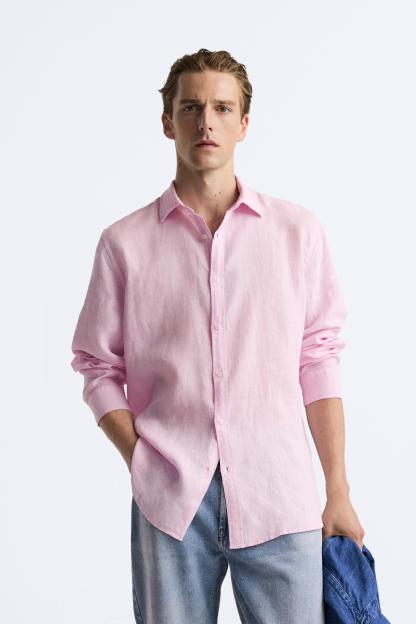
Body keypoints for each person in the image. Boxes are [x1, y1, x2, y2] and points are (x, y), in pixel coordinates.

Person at [70, 48, 365, 623]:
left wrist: (338, 489)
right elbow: (96, 365)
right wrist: (142, 460)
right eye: (191, 107)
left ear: (244, 124)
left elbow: (318, 358)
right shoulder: (124, 244)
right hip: (171, 499)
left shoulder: (297, 233)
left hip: (280, 490)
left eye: (223, 108)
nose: (207, 121)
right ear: (168, 122)